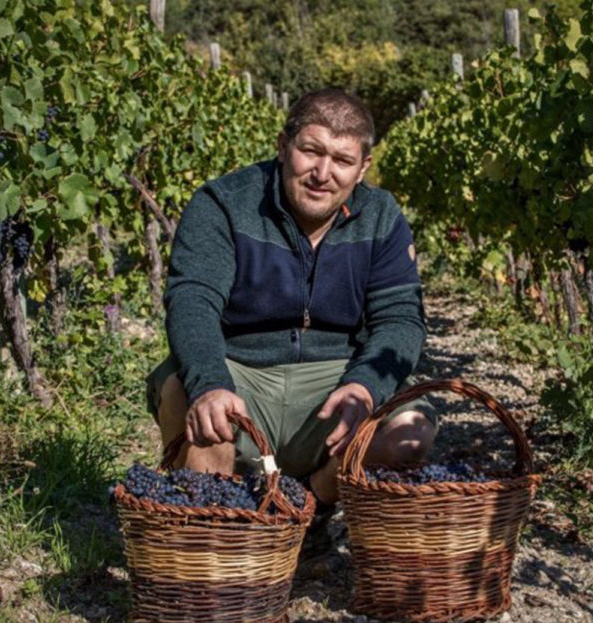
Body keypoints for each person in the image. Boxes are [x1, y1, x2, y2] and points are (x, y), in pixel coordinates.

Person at [147, 88, 437, 507]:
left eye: (342, 161)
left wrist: (365, 386)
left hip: (333, 380)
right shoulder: (224, 204)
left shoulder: (381, 216)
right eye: (311, 151)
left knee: (411, 430)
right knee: (186, 393)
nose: (323, 173)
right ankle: (216, 534)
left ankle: (311, 507)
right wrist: (210, 382)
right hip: (242, 371)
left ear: (362, 169)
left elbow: (401, 319)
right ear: (283, 147)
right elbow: (193, 300)